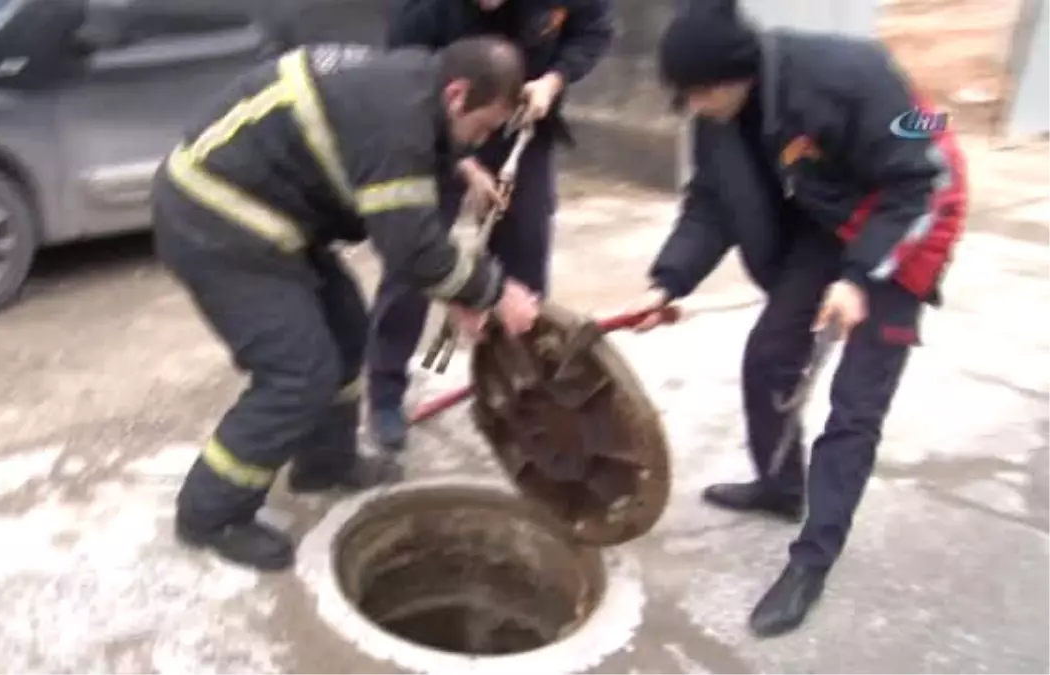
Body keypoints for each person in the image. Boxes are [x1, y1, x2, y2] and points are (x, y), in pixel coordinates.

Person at [627, 1, 967, 637]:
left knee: (853, 407)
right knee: (770, 354)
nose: (693, 107)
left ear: (734, 75)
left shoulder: (852, 73)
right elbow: (710, 203)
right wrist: (667, 281)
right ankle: (782, 487)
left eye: (698, 93)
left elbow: (917, 178)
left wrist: (861, 277)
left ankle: (811, 562)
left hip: (913, 217)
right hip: (833, 214)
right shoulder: (720, 116)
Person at [153, 38, 543, 571]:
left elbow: (417, 228)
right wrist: (496, 293)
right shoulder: (398, 121)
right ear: (457, 94)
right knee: (297, 371)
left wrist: (456, 292)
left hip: (270, 215)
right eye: (480, 128)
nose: (479, 143)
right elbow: (411, 248)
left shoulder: (416, 85)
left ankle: (323, 462)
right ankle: (211, 513)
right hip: (214, 220)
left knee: (347, 334)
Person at [366, 0, 615, 450]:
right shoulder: (418, 14)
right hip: (438, 129)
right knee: (412, 258)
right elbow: (404, 85)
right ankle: (385, 395)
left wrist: (553, 81)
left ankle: (524, 389)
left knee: (526, 258)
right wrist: (463, 161)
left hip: (522, 121)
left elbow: (593, 32)